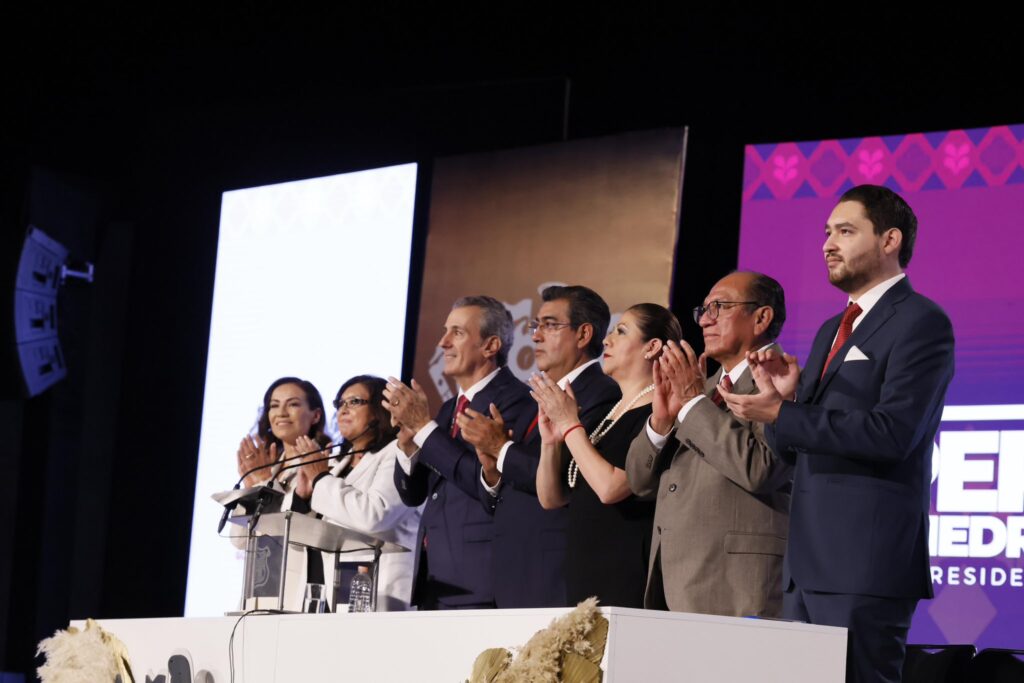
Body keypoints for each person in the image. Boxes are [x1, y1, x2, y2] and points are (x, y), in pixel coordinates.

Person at [719, 185, 955, 683]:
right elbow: (793, 449)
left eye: (846, 232)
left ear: (890, 239)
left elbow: (894, 433)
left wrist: (786, 415)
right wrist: (786, 404)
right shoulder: (831, 328)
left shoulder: (921, 321)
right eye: (827, 232)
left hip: (864, 568)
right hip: (805, 567)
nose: (829, 243)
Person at [625, 271, 792, 617]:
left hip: (735, 587)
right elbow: (639, 482)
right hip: (674, 581)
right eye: (703, 309)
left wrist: (691, 404)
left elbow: (761, 469)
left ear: (761, 317)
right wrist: (660, 423)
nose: (705, 320)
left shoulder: (783, 379)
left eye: (721, 307)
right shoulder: (702, 387)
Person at [457, 285, 620, 607]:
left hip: (552, 572)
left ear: (584, 334)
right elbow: (514, 479)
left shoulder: (601, 394)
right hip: (511, 569)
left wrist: (502, 449)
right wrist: (492, 472)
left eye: (549, 325)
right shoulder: (539, 397)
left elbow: (563, 476)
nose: (536, 336)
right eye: (536, 326)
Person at [385, 295, 532, 609]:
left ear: (491, 346)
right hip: (436, 580)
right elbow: (415, 495)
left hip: (480, 578)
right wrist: (408, 446)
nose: (443, 342)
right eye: (444, 331)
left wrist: (425, 429)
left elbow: (483, 481)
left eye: (457, 333)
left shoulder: (516, 401)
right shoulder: (449, 408)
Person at [532, 303, 683, 608]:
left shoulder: (659, 415)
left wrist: (569, 424)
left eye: (621, 331)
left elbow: (611, 487)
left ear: (651, 347)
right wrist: (550, 442)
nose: (606, 340)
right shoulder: (607, 415)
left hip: (624, 573)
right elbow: (552, 498)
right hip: (584, 572)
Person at [291, 375, 422, 611]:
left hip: (380, 591)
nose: (343, 410)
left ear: (380, 409)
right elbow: (319, 530)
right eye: (340, 403)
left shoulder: (398, 453)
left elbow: (374, 514)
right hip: (328, 590)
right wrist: (302, 498)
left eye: (354, 402)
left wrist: (321, 478)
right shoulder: (339, 463)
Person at [232, 376, 331, 611]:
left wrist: (266, 483)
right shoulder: (267, 467)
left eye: (293, 404)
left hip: (296, 588)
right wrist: (256, 484)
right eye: (274, 405)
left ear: (315, 415)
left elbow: (302, 531)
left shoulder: (326, 465)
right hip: (258, 589)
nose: (281, 413)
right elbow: (238, 538)